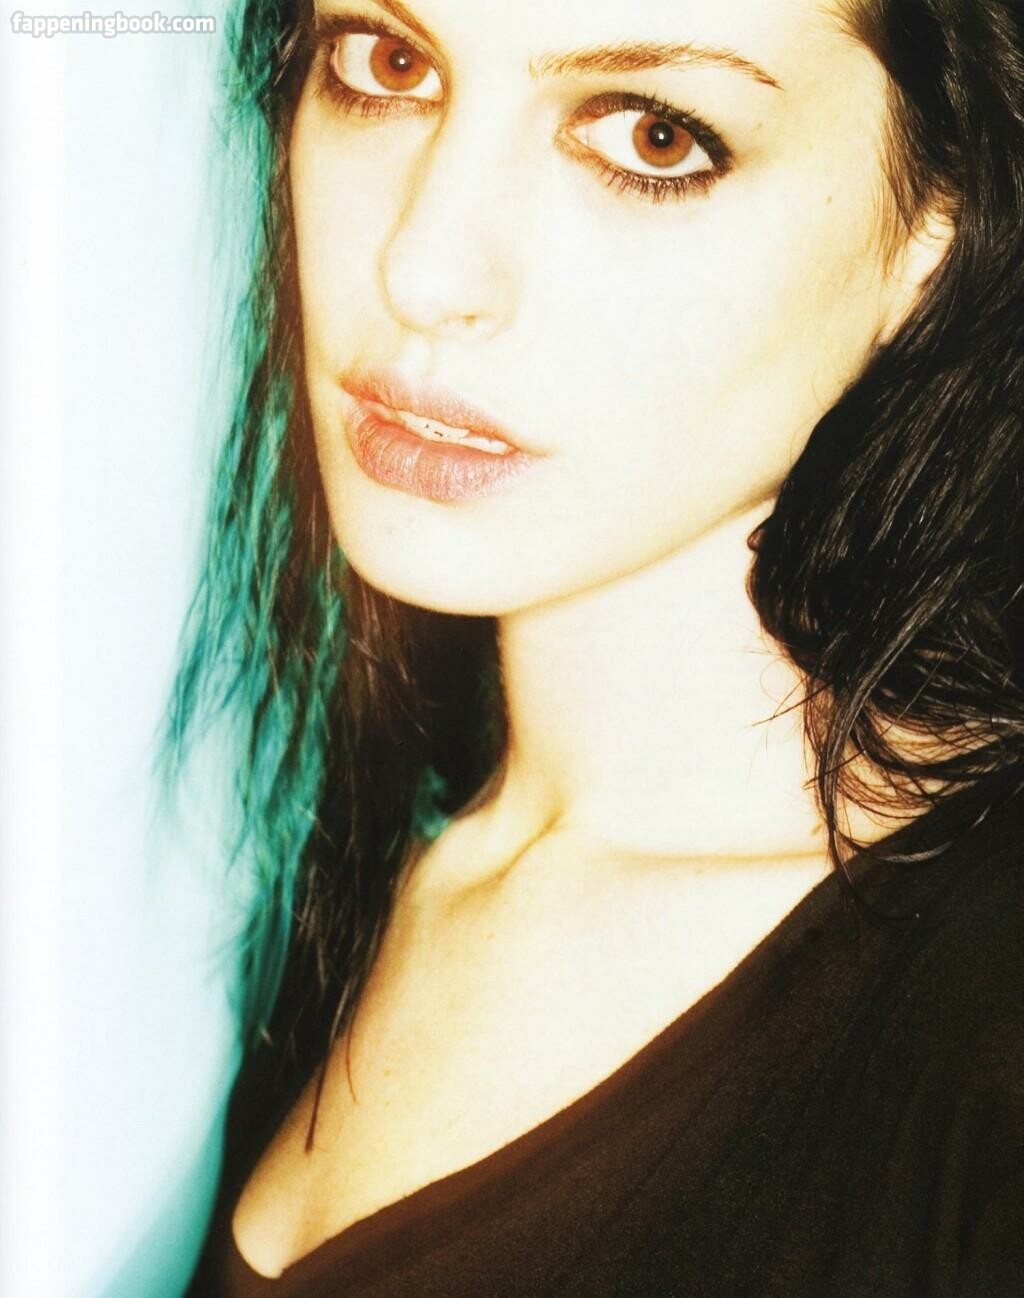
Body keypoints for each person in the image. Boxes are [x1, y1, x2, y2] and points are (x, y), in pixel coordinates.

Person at [174, 0, 1024, 1292]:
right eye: (387, 64)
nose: (422, 269)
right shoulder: (339, 850)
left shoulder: (983, 1048)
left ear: (938, 229)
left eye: (652, 136)